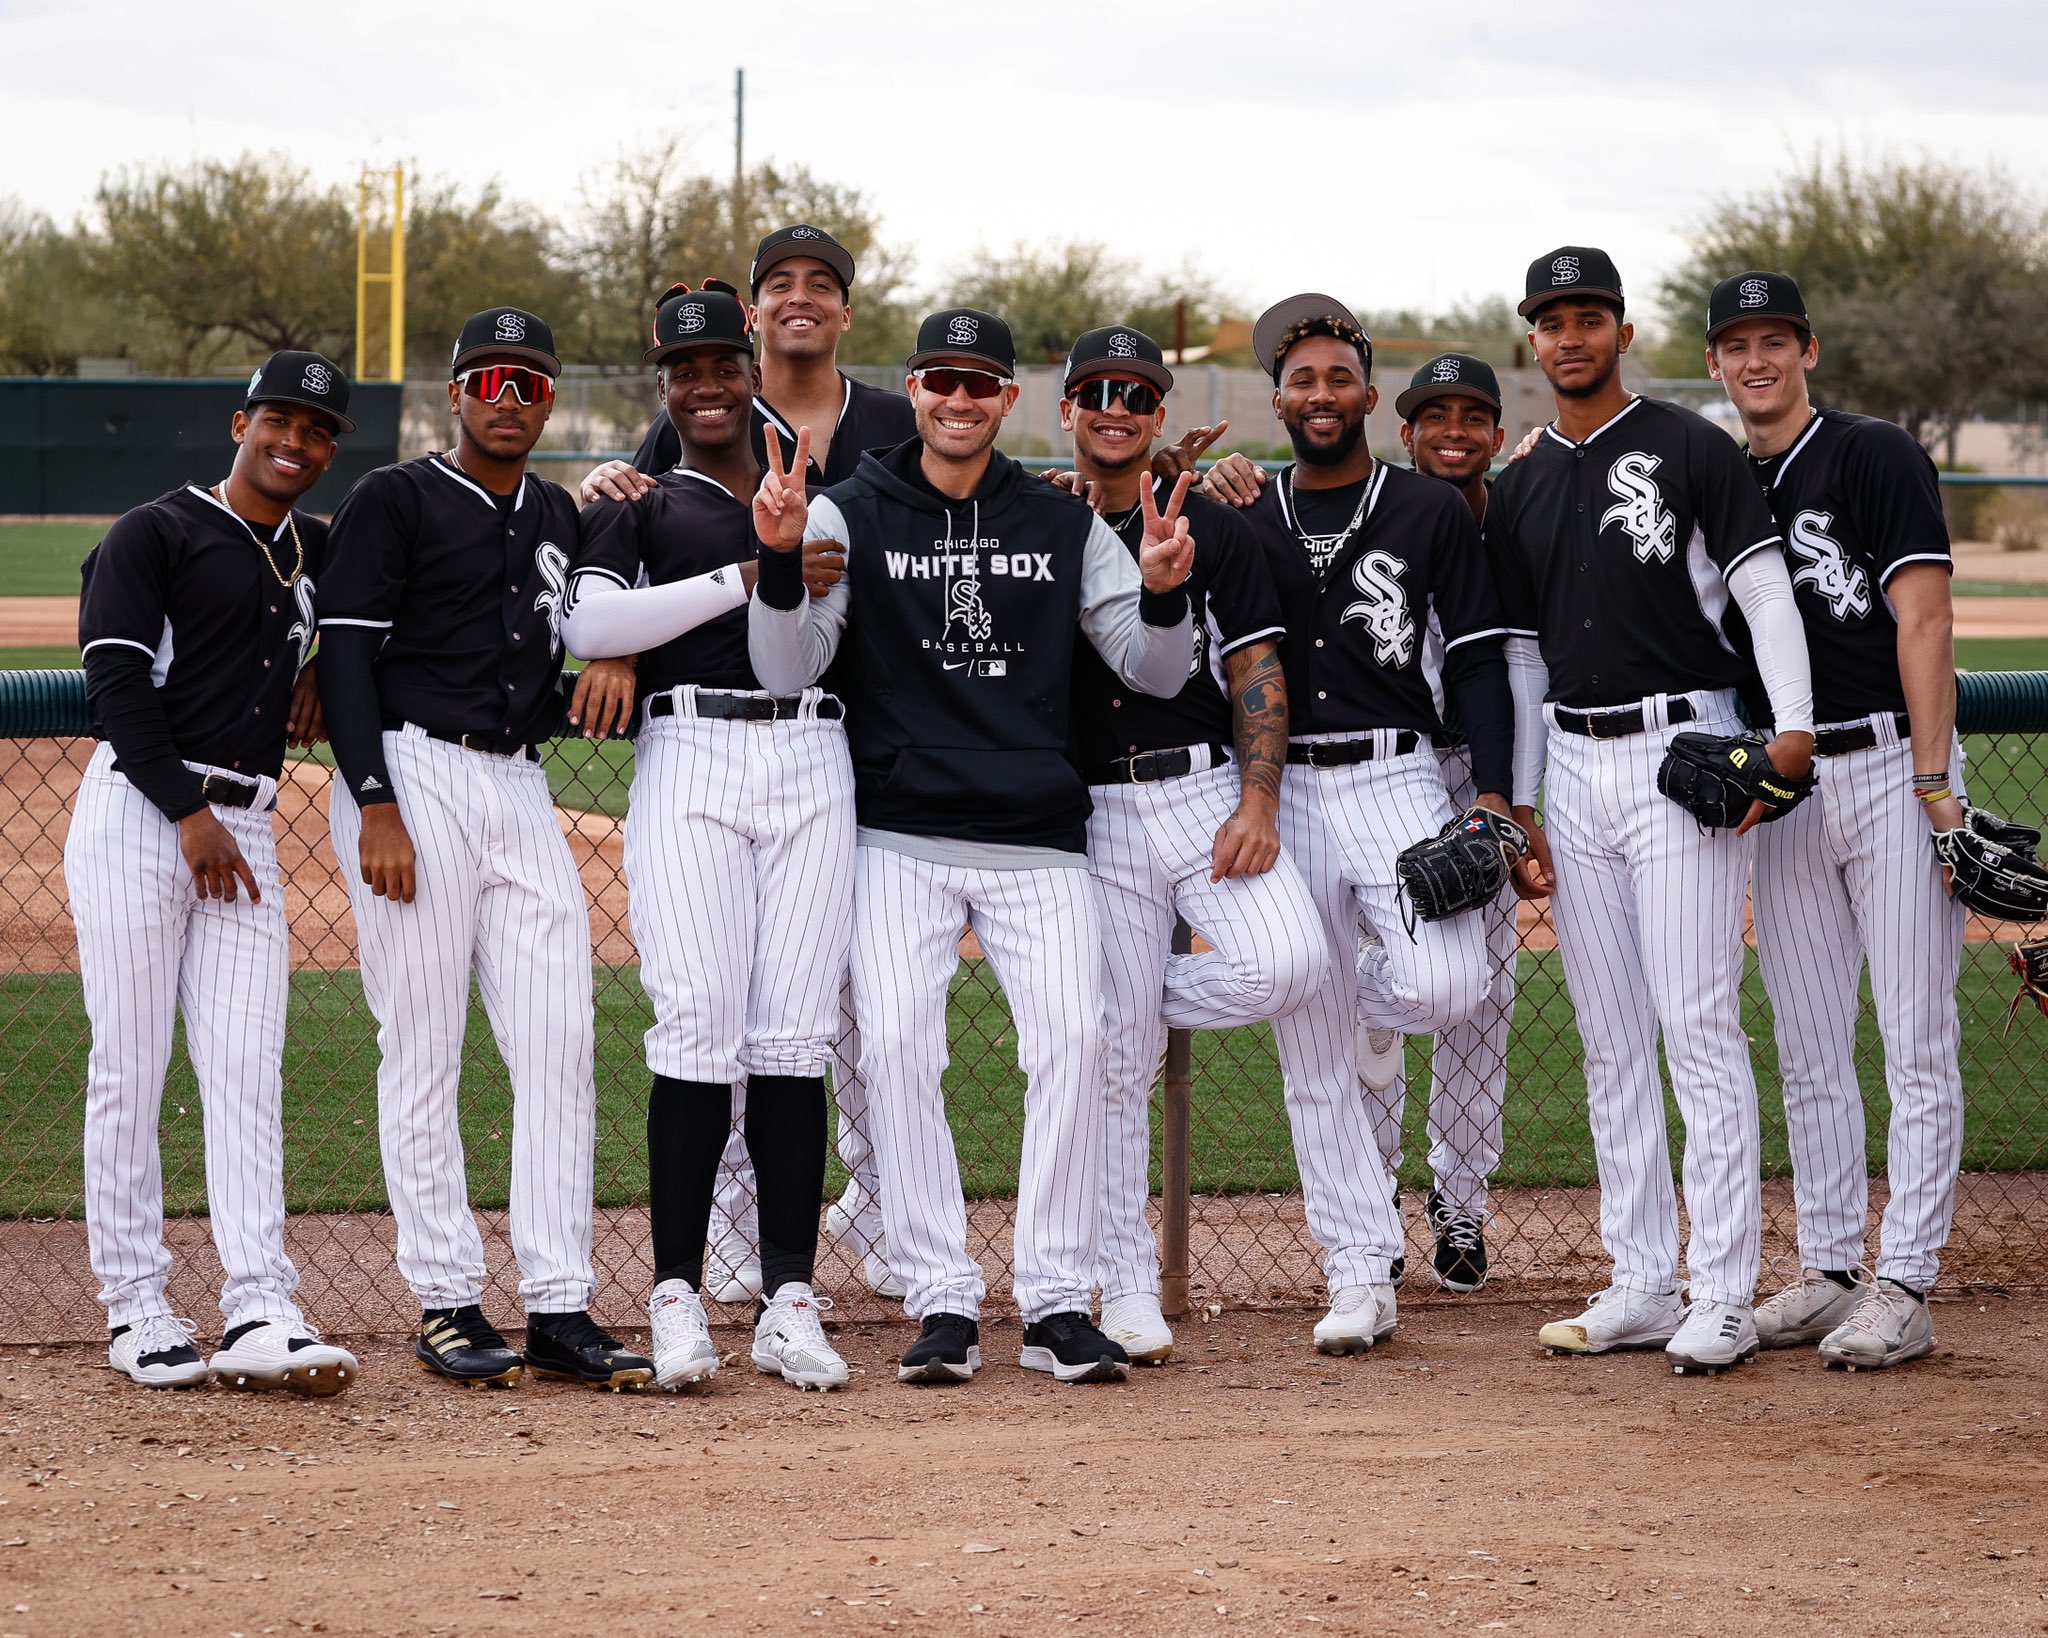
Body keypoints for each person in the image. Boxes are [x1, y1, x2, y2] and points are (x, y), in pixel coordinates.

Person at [748, 307, 1196, 1386]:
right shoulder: (850, 510)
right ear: (911, 390)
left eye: (980, 382)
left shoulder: (1062, 523)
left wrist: (1167, 591)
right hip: (899, 830)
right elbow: (785, 668)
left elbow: (1156, 671)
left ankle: (1051, 1299)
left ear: (1006, 399)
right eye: (940, 380)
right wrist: (774, 560)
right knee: (899, 1050)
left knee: (1075, 1051)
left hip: (1037, 835)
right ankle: (941, 1294)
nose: (959, 399)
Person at [1484, 247, 1815, 1374]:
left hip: (1684, 750)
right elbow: (1521, 657)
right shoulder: (1520, 480)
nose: (1569, 336)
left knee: (1695, 1026)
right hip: (1572, 767)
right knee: (1609, 1038)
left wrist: (1791, 730)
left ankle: (1721, 1289)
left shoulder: (1688, 445)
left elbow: (1763, 586)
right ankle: (1640, 1277)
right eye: (1549, 320)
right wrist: (1524, 804)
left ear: (1622, 331)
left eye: (1589, 316)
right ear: (1530, 340)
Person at [318, 308, 653, 1391]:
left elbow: (571, 637)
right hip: (413, 775)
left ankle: (558, 1303)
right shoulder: (394, 497)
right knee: (422, 1040)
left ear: (549, 401)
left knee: (558, 1040)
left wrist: (618, 669)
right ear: (455, 394)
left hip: (517, 780)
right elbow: (349, 662)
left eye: (529, 383)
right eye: (489, 379)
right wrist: (373, 803)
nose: (509, 398)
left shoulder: (557, 512)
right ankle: (446, 1298)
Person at [581, 225, 917, 1303]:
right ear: (760, 313)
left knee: (841, 1016)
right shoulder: (675, 446)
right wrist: (646, 634)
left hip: (849, 732)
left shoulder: (888, 428)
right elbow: (625, 562)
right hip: (713, 739)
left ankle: (865, 1214)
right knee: (719, 1014)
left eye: (822, 282)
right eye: (782, 284)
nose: (800, 299)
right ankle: (719, 1241)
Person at [560, 282, 854, 1392]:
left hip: (808, 756)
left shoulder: (812, 503)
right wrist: (742, 572)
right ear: (665, 387)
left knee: (790, 1036)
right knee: (694, 1024)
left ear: (749, 370)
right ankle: (675, 1297)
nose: (704, 384)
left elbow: (791, 662)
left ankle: (788, 1299)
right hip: (688, 757)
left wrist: (780, 555)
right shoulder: (633, 502)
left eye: (720, 364)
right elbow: (589, 623)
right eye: (682, 371)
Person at [1224, 295, 1528, 1354]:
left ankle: (1347, 999)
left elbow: (1481, 657)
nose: (1318, 395)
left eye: (1334, 378)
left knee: (1450, 984)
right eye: (1298, 380)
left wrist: (1490, 790)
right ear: (1277, 399)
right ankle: (1357, 1273)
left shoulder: (1425, 510)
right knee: (1312, 1061)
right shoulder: (1242, 509)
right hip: (1280, 788)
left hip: (1396, 777)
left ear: (1365, 393)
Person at [69, 353, 360, 1395]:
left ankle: (258, 1304)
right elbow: (114, 682)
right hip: (147, 817)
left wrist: (327, 666)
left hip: (250, 825)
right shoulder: (156, 531)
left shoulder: (314, 549)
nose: (296, 442)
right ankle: (136, 1306)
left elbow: (408, 581)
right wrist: (187, 815)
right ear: (241, 423)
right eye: (281, 420)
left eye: (319, 431)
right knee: (131, 1068)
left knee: (247, 1072)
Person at [1705, 270, 1964, 1370]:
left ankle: (1903, 1279)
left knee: (1913, 1040)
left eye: (1773, 340)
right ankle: (1825, 1268)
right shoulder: (1712, 477)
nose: (1754, 360)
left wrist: (1934, 782)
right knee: (1809, 1046)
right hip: (1786, 787)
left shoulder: (1871, 455)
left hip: (1886, 772)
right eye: (1734, 344)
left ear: (1805, 349)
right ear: (1714, 362)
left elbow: (1924, 619)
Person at [1056, 324, 1325, 1364]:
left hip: (1198, 794)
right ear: (1070, 407)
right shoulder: (1036, 517)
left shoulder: (1216, 524)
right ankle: (1122, 1287)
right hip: (1090, 811)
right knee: (1117, 1069)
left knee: (1288, 962)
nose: (1114, 407)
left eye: (1136, 393)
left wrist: (1256, 803)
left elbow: (1255, 667)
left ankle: (1120, 999)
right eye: (1096, 391)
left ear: (1158, 415)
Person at [1357, 354, 1522, 1293]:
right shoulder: (1378, 514)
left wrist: (1510, 800)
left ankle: (1462, 1198)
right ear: (1406, 431)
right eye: (1434, 416)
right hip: (1393, 773)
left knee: (1482, 997)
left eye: (1473, 416)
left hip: (1487, 776)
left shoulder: (1528, 518)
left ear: (1498, 434)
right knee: (1378, 985)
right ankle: (1374, 1193)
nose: (1453, 431)